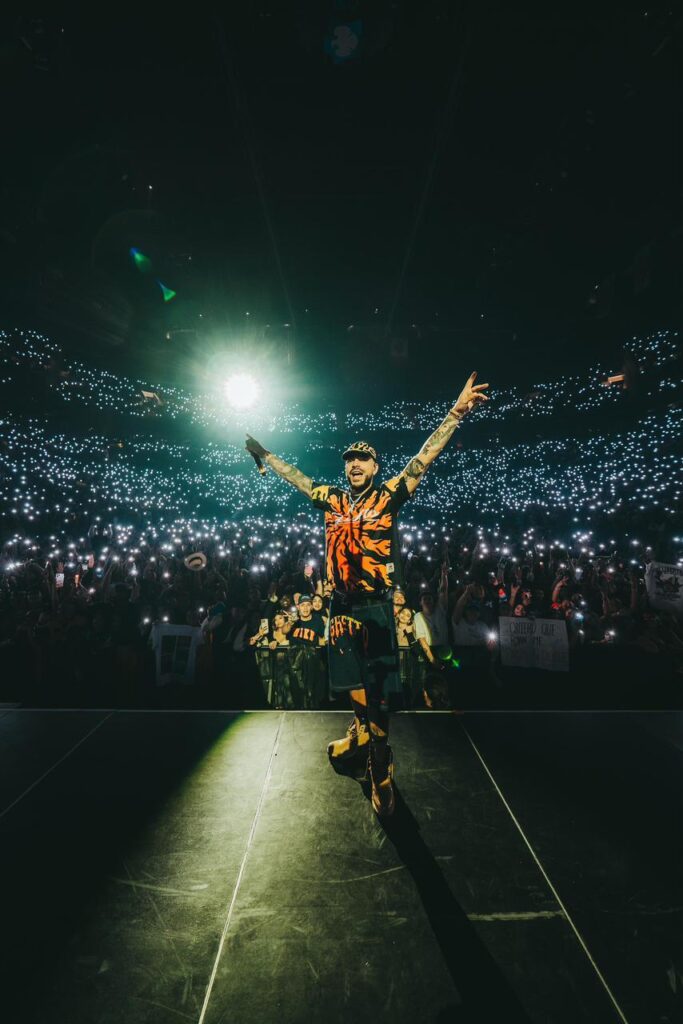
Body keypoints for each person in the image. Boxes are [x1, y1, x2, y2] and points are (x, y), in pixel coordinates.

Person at [246, 370, 490, 816]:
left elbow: (423, 459)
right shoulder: (332, 499)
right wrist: (265, 455)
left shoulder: (390, 496)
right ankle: (364, 735)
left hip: (376, 606)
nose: (355, 464)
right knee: (352, 690)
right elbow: (298, 478)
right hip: (339, 609)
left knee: (378, 696)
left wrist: (456, 413)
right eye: (350, 460)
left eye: (363, 460)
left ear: (375, 468)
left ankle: (380, 768)